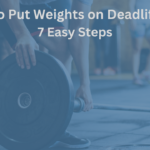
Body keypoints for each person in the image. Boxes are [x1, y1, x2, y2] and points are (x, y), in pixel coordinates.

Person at [0, 0, 93, 148]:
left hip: (34, 4)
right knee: (21, 46)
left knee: (61, 45)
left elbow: (79, 30)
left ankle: (54, 127)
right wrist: (22, 34)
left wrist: (85, 83)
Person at [130, 0, 150, 85]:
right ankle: (135, 76)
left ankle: (147, 72)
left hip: (149, 21)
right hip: (138, 21)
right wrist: (132, 19)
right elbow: (131, 4)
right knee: (137, 49)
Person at [92, 9, 117, 76]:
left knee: (98, 50)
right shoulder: (110, 13)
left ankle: (97, 69)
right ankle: (106, 68)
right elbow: (114, 19)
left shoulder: (100, 13)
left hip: (95, 31)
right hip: (105, 31)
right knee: (106, 50)